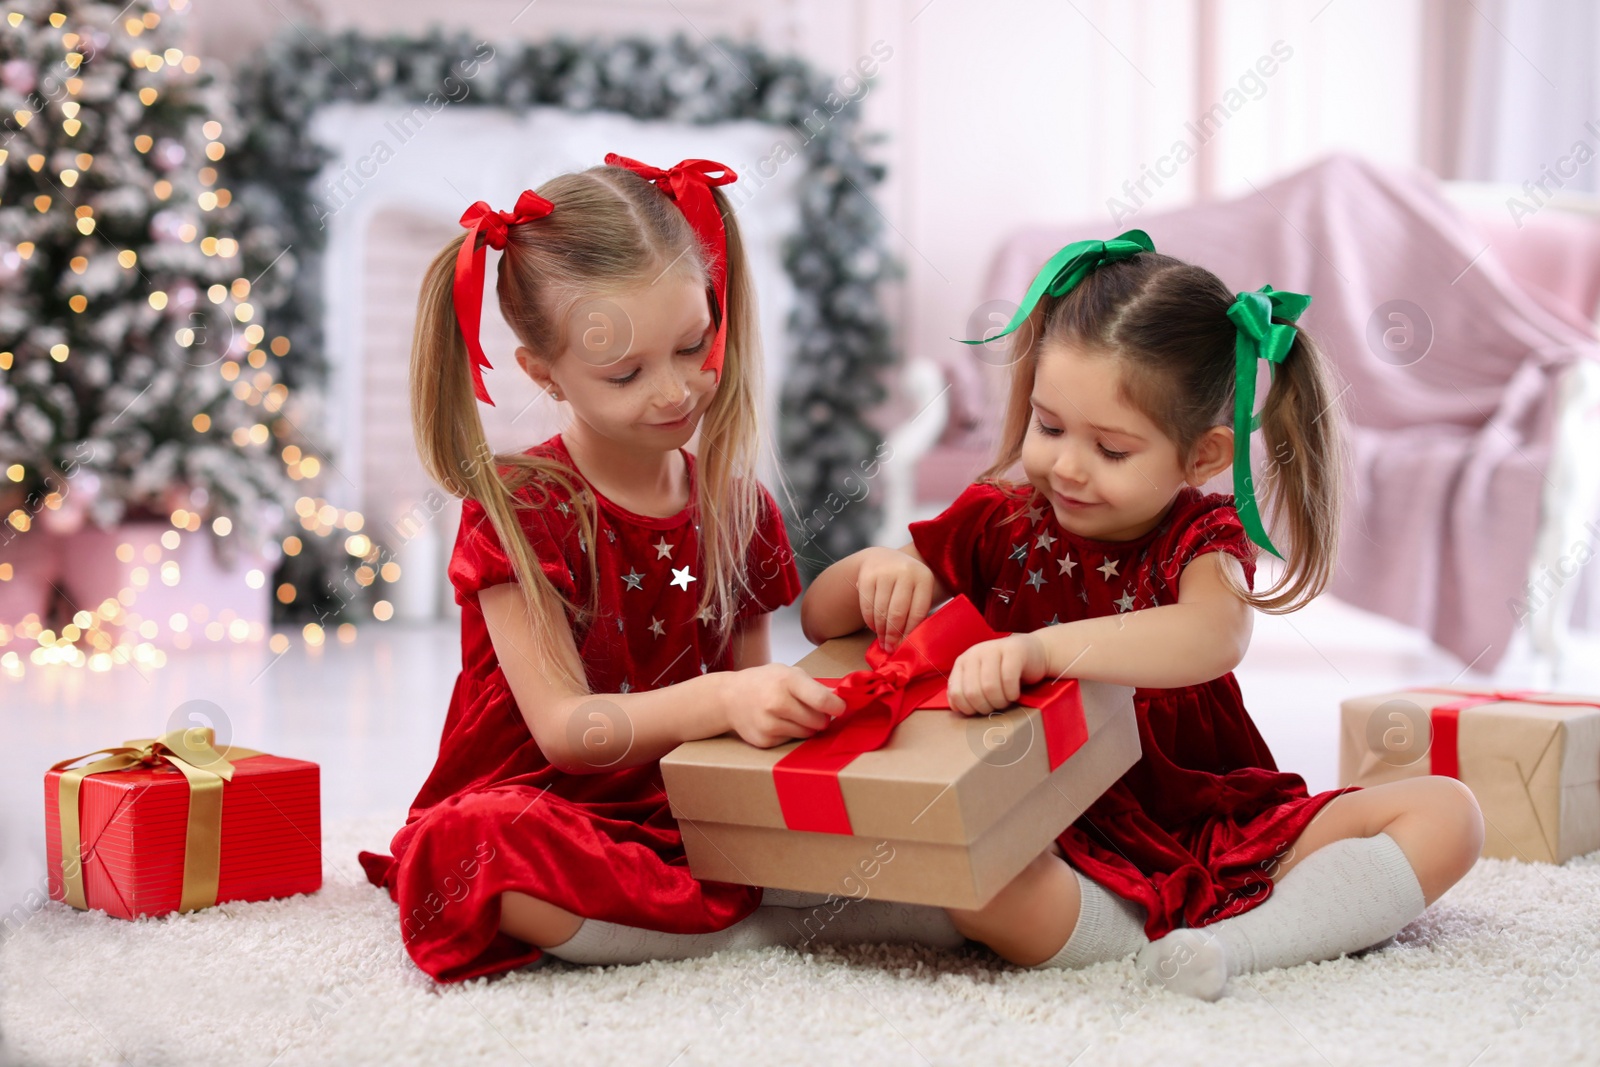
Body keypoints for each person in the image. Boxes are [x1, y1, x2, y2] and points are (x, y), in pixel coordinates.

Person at [799, 231, 1484, 999]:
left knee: (1449, 812)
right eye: (1049, 425)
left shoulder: (1200, 538)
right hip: (1055, 834)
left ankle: (1240, 944)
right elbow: (820, 622)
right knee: (970, 881)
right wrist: (877, 568)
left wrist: (1042, 648)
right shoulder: (1000, 517)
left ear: (1201, 457)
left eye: (1111, 449)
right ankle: (1124, 936)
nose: (1065, 464)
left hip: (1213, 822)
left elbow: (1211, 636)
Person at [358, 155, 957, 982]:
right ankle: (747, 932)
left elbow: (754, 714)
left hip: (696, 802)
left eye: (692, 345)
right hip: (558, 801)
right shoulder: (521, 509)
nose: (675, 391)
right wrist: (723, 699)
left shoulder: (736, 506)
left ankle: (720, 908)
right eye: (626, 372)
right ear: (545, 374)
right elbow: (568, 733)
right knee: (470, 849)